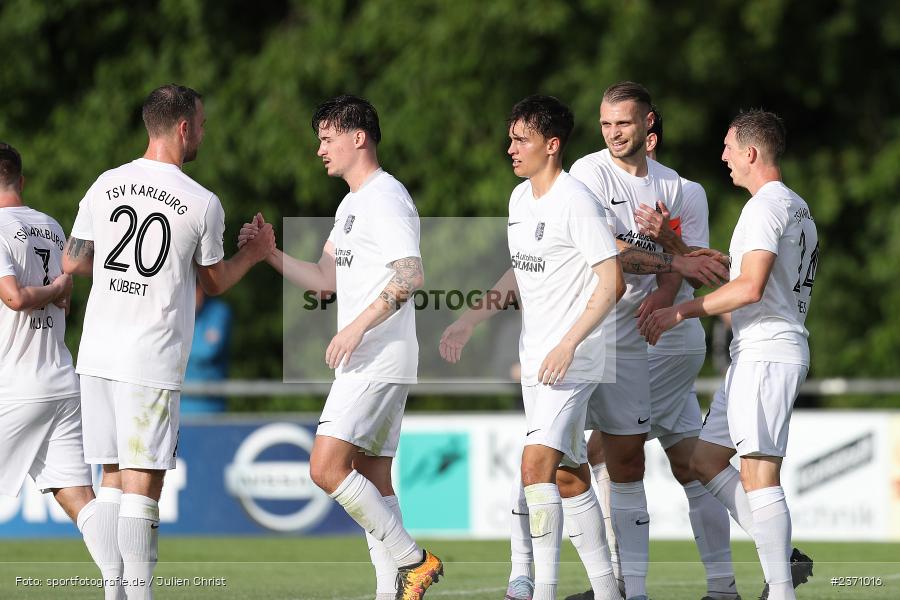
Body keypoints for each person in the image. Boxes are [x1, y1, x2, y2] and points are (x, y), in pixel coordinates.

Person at [63, 84, 275, 599]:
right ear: (183, 128)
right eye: (201, 124)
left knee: (111, 476)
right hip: (148, 355)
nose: (203, 132)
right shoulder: (202, 202)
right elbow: (214, 282)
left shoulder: (105, 183)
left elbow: (72, 260)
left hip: (95, 353)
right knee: (143, 484)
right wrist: (258, 251)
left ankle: (115, 595)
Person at [240, 95, 442, 600]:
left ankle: (413, 560)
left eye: (327, 139)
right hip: (375, 358)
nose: (319, 150)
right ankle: (391, 593)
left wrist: (355, 328)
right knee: (373, 476)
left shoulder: (385, 196)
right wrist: (270, 254)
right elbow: (325, 280)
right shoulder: (352, 204)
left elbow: (412, 274)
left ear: (359, 138)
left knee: (325, 467)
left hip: (377, 355)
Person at [442, 94, 627, 600]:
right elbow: (519, 274)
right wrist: (470, 320)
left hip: (575, 358)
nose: (510, 148)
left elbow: (613, 282)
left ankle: (539, 591)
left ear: (552, 145)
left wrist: (569, 343)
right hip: (538, 361)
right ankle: (609, 592)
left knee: (533, 467)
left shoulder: (577, 200)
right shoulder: (519, 200)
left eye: (520, 139)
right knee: (567, 475)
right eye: (510, 138)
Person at [641, 109, 818, 600]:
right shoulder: (795, 206)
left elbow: (750, 287)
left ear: (752, 153)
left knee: (758, 473)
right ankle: (782, 558)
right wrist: (675, 243)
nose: (722, 156)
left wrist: (682, 312)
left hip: (768, 350)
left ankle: (781, 590)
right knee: (705, 460)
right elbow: (736, 273)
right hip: (756, 352)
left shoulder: (765, 207)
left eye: (728, 147)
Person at [564, 82, 729, 600]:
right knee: (690, 464)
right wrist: (670, 266)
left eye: (625, 123)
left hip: (664, 340)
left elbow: (701, 265)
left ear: (649, 125)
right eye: (606, 123)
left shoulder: (682, 189)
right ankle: (729, 582)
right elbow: (603, 247)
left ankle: (616, 584)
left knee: (602, 453)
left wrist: (668, 272)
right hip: (621, 337)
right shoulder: (588, 174)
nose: (614, 133)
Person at [0, 142, 125, 599]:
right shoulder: (52, 228)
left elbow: (13, 297)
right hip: (59, 378)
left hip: (13, 383)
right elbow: (67, 298)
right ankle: (122, 588)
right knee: (78, 496)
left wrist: (48, 288)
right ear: (21, 180)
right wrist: (55, 289)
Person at [181, 284, 232, 413]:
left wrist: (175, 347)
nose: (191, 296)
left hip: (210, 409)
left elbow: (208, 351)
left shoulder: (219, 311)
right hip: (178, 408)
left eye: (195, 290)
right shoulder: (176, 313)